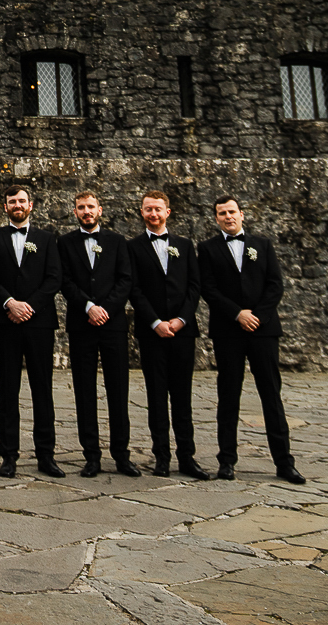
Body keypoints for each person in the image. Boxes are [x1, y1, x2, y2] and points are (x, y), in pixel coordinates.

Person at [198, 196, 304, 485]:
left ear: (242, 215)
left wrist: (257, 316)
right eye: (222, 213)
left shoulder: (263, 245)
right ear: (216, 218)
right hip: (228, 331)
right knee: (228, 396)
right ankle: (227, 461)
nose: (228, 217)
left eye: (232, 212)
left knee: (271, 395)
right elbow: (208, 288)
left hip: (263, 331)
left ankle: (284, 463)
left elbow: (275, 285)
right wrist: (237, 314)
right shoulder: (207, 249)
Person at [0, 182, 62, 477]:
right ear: (6, 207)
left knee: (43, 389)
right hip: (5, 322)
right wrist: (10, 303)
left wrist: (29, 307)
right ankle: (9, 455)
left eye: (22, 201)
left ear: (31, 205)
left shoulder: (47, 238)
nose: (17, 205)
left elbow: (54, 278)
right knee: (7, 389)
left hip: (38, 322)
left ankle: (46, 454)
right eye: (12, 201)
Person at [128, 190, 209, 479]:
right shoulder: (133, 247)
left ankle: (187, 457)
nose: (153, 214)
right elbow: (134, 289)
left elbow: (194, 286)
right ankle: (161, 456)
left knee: (182, 397)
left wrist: (181, 320)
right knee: (156, 397)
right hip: (152, 333)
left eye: (158, 209)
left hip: (182, 333)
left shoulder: (185, 246)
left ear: (168, 212)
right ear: (141, 212)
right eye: (148, 209)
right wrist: (155, 322)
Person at [58, 190, 137, 477]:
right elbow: (64, 281)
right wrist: (89, 307)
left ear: (100, 210)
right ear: (75, 211)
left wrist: (106, 308)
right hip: (82, 325)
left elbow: (125, 279)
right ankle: (91, 455)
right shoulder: (65, 243)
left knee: (118, 390)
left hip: (113, 325)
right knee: (84, 391)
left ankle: (122, 455)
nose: (86, 211)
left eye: (91, 207)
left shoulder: (117, 242)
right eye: (81, 207)